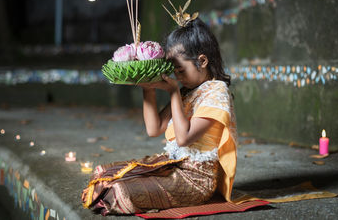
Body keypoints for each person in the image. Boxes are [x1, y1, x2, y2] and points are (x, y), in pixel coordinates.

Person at [82, 17, 237, 216]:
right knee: (104, 173)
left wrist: (173, 92)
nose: (178, 77)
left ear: (202, 61)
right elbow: (154, 128)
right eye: (175, 72)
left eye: (181, 71)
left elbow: (183, 138)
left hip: (196, 180)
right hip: (171, 166)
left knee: (119, 190)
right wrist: (148, 87)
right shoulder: (187, 92)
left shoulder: (217, 92)